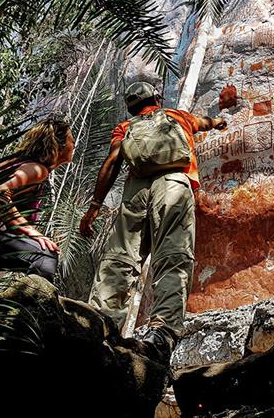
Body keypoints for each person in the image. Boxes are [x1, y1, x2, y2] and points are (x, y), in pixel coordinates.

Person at [79, 81, 226, 361]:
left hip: (136, 191)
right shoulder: (176, 116)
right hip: (174, 183)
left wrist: (95, 206)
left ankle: (101, 323)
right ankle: (163, 330)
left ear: (130, 107)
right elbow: (205, 122)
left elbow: (112, 162)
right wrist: (219, 121)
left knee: (121, 258)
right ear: (156, 99)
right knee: (173, 254)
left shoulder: (125, 127)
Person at [0, 117, 74, 280]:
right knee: (45, 257)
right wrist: (29, 230)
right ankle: (30, 304)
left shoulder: (18, 162)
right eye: (71, 140)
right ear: (60, 146)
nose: (74, 145)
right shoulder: (38, 170)